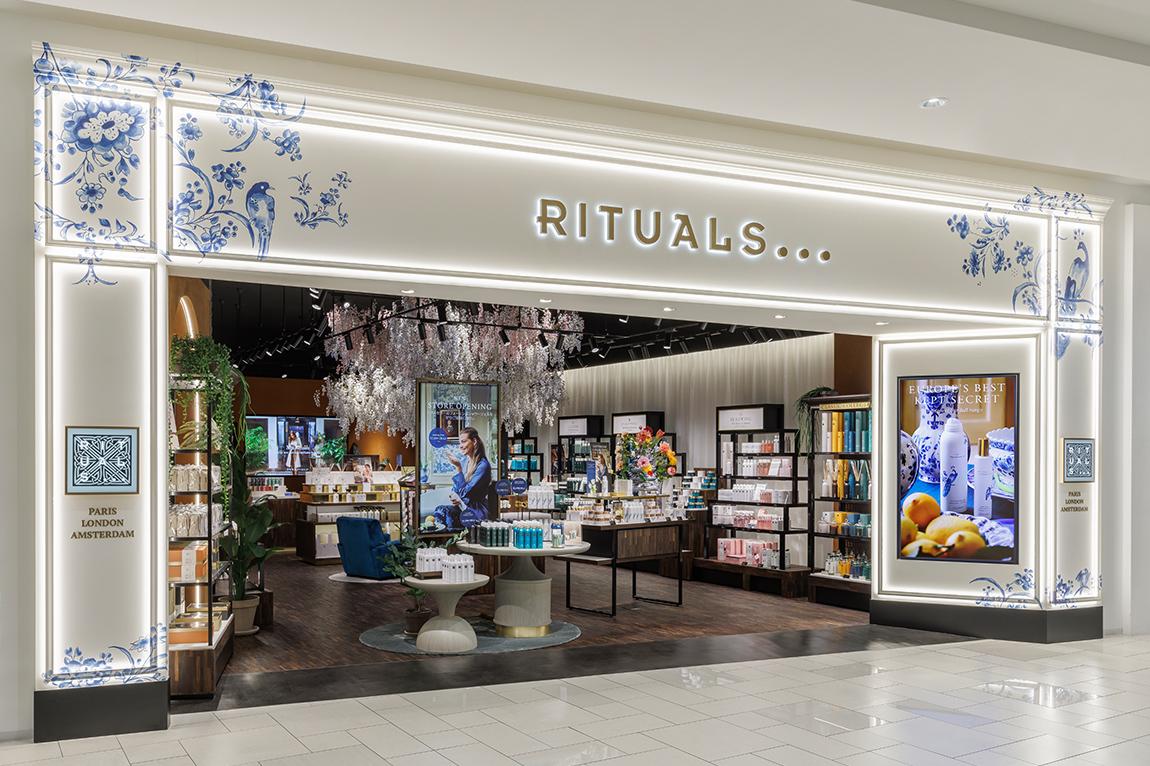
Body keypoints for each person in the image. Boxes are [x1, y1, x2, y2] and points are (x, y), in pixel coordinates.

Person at [433, 426, 492, 530]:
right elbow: (457, 489)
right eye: (460, 442)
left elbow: (465, 493)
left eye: (464, 442)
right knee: (440, 510)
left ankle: (457, 539)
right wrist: (454, 497)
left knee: (447, 514)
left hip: (476, 511)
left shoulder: (483, 466)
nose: (460, 446)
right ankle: (446, 540)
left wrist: (458, 468)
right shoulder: (465, 461)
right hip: (462, 506)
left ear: (474, 441)